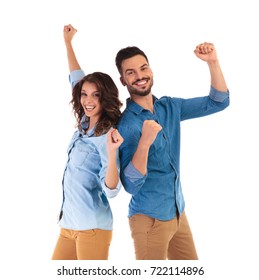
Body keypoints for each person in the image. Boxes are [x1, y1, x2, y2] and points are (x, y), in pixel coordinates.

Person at [115, 42, 230, 260]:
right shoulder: (127, 125)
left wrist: (213, 62)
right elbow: (130, 185)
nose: (140, 76)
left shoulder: (169, 107)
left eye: (143, 68)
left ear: (151, 70)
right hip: (149, 219)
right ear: (123, 80)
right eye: (131, 73)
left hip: (177, 211)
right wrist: (144, 143)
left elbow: (219, 102)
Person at [52, 24, 124, 260]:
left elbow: (112, 190)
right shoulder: (84, 122)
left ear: (106, 99)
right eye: (85, 94)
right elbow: (77, 79)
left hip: (92, 228)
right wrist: (68, 43)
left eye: (96, 95)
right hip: (68, 224)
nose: (88, 100)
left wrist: (112, 153)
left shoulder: (107, 135)